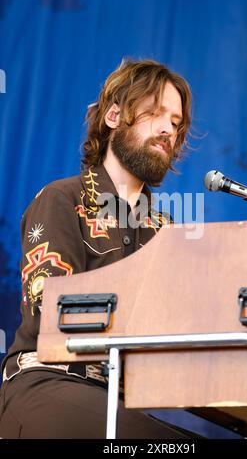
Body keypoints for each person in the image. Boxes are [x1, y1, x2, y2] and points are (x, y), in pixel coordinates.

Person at [0, 59, 192, 439]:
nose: (168, 128)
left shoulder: (168, 232)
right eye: (155, 112)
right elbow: (50, 312)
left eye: (176, 120)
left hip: (113, 403)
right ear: (113, 116)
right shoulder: (62, 198)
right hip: (47, 385)